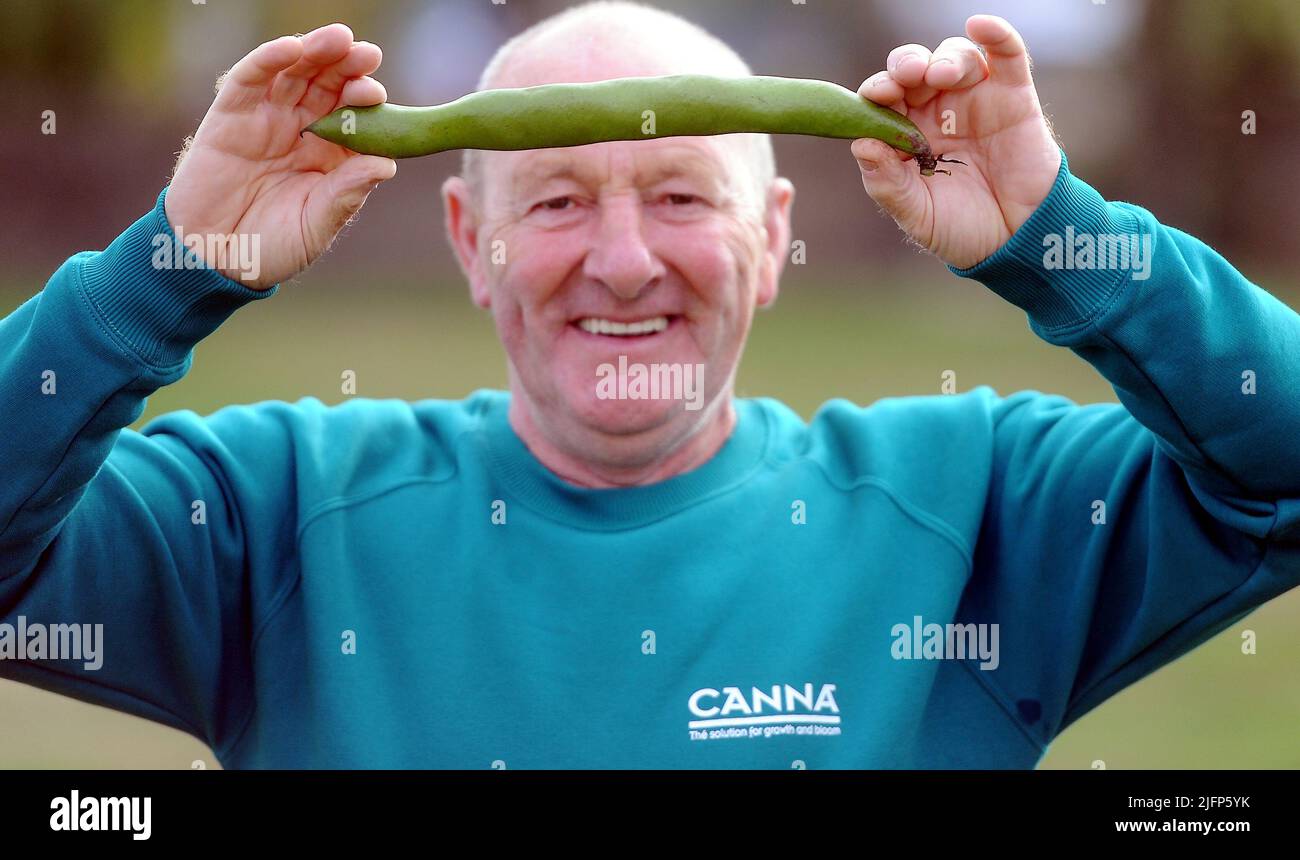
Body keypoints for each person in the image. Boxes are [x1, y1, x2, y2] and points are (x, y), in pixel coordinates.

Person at [1, 1, 1296, 769]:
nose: (623, 266)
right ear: (470, 242)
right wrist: (169, 266)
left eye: (682, 196)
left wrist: (1063, 236)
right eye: (556, 199)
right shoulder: (269, 516)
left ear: (775, 236)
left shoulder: (983, 509)